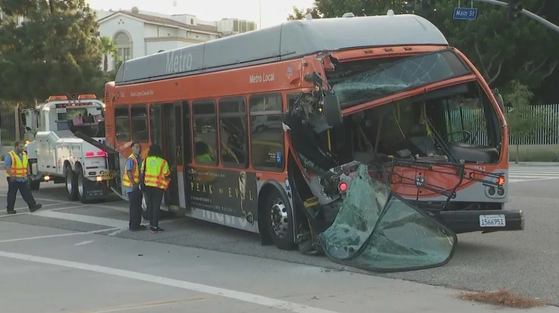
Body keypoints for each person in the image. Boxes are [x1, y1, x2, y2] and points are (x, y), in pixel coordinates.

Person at [4, 141, 42, 214]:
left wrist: (28, 173)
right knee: (12, 194)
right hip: (13, 178)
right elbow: (7, 166)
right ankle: (10, 209)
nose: (22, 148)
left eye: (22, 146)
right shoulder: (10, 155)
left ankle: (32, 206)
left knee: (27, 192)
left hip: (22, 178)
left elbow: (26, 164)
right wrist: (12, 176)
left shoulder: (24, 154)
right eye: (20, 146)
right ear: (16, 147)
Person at [140, 143, 170, 233]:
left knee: (150, 206)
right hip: (158, 187)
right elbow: (167, 174)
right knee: (156, 206)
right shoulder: (163, 162)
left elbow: (142, 174)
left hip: (147, 187)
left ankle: (151, 225)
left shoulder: (145, 161)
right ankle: (155, 226)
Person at [122, 142, 146, 231]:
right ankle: (133, 225)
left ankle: (137, 224)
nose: (138, 149)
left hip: (138, 186)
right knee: (134, 207)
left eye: (139, 147)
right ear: (132, 148)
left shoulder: (139, 159)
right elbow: (129, 172)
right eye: (136, 147)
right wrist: (134, 183)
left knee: (138, 206)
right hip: (132, 187)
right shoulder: (131, 159)